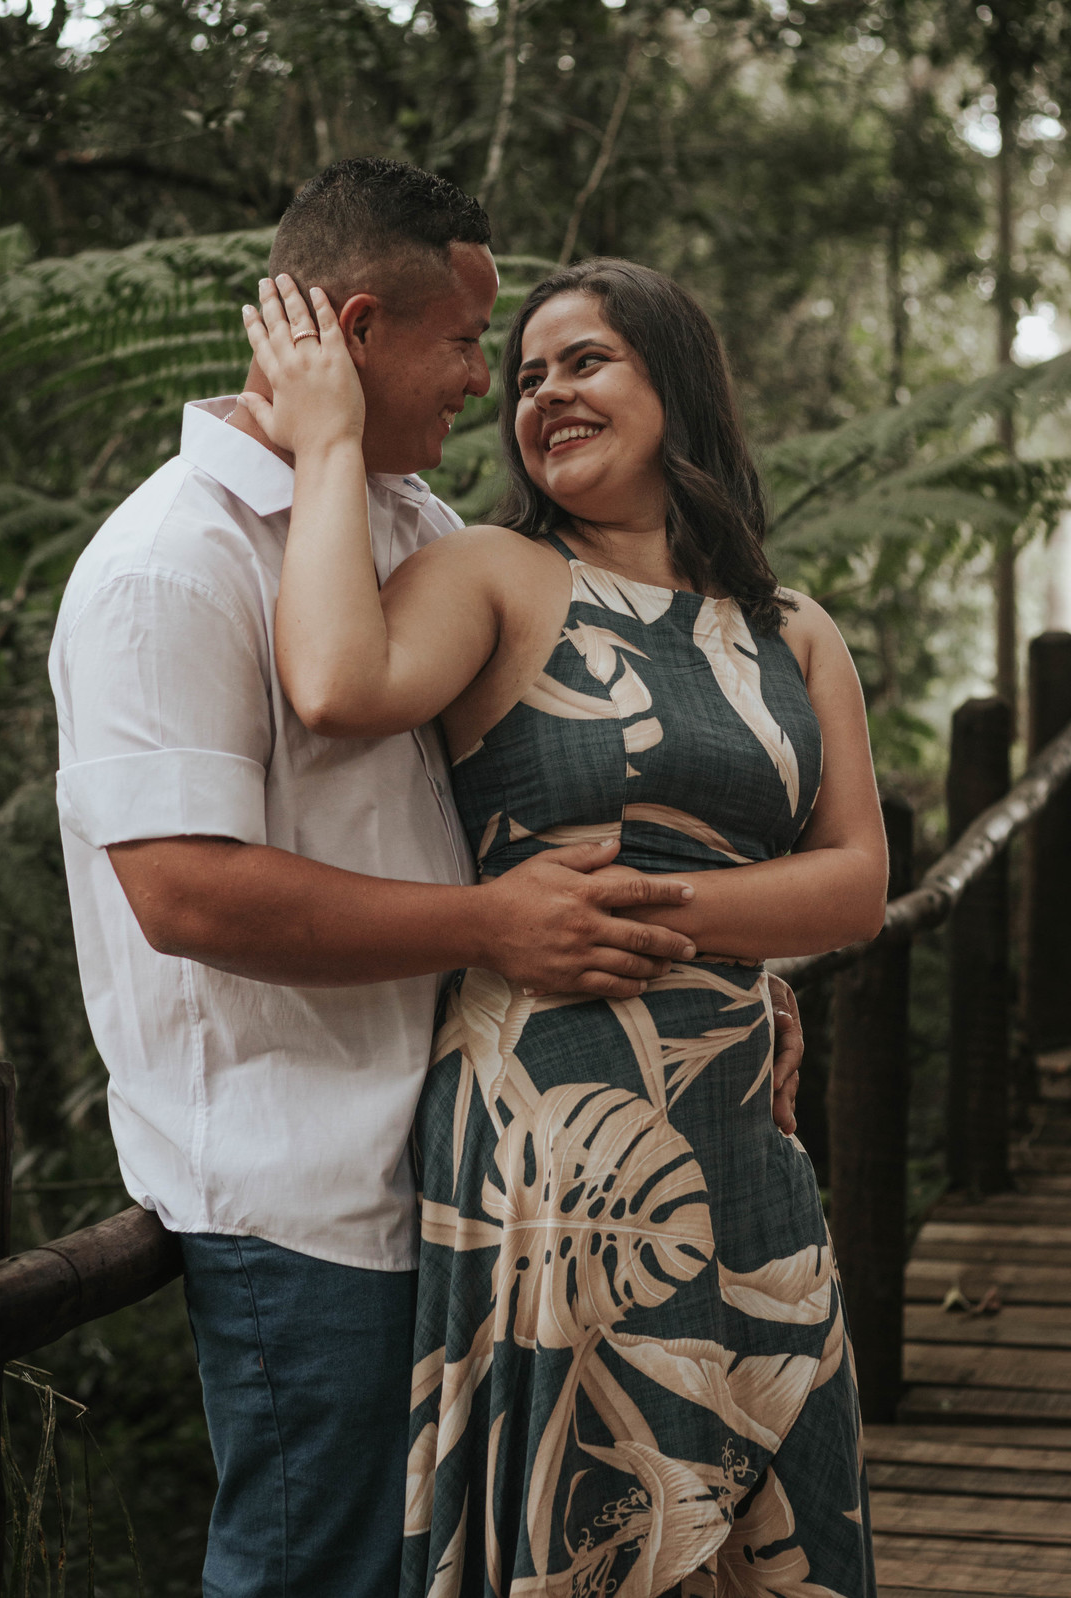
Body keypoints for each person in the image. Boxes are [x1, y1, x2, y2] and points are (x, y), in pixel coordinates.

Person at [49, 160, 805, 1598]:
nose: (481, 381)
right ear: (353, 330)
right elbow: (185, 894)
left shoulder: (418, 531)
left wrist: (714, 978)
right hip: (306, 1193)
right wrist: (491, 927)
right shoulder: (169, 566)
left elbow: (539, 807)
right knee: (317, 1570)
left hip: (475, 1169)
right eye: (466, 342)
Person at [239, 252, 886, 1596]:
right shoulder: (497, 573)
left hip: (743, 1134)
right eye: (526, 377)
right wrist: (330, 440)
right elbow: (334, 681)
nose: (544, 395)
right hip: (551, 1143)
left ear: (676, 384)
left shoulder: (793, 630)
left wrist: (646, 911)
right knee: (597, 1513)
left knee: (779, 1527)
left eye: (585, 361)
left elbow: (853, 883)